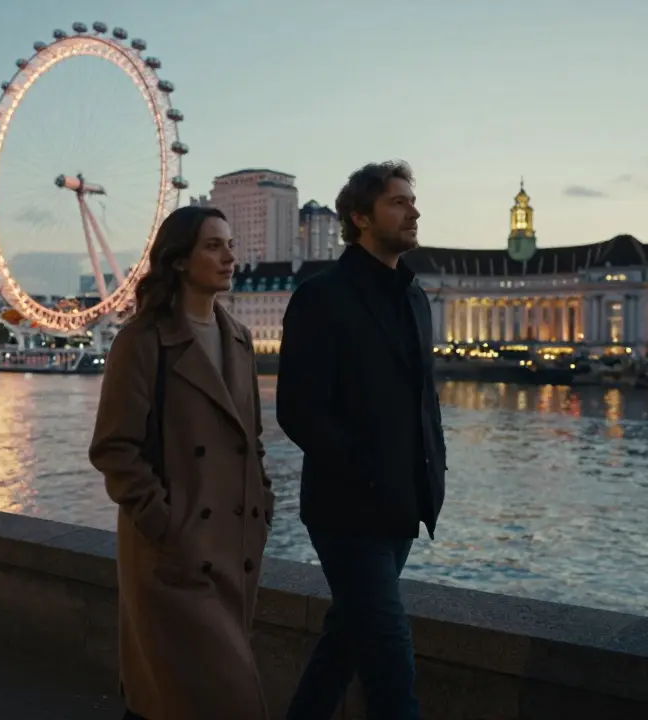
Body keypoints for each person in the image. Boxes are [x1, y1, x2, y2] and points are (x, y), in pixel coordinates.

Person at [89, 204, 274, 720]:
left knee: (180, 700)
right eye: (213, 246)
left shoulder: (239, 338)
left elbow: (251, 439)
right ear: (177, 261)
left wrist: (262, 500)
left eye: (231, 244)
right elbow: (113, 448)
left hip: (232, 549)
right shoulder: (141, 341)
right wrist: (163, 523)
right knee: (215, 698)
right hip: (173, 555)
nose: (230, 256)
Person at [276, 161, 447, 719]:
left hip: (402, 504)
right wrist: (368, 470)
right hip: (347, 509)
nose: (413, 211)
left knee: (345, 641)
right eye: (398, 202)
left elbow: (423, 400)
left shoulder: (415, 298)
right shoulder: (321, 296)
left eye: (411, 201)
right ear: (359, 216)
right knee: (390, 659)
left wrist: (430, 473)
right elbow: (298, 411)